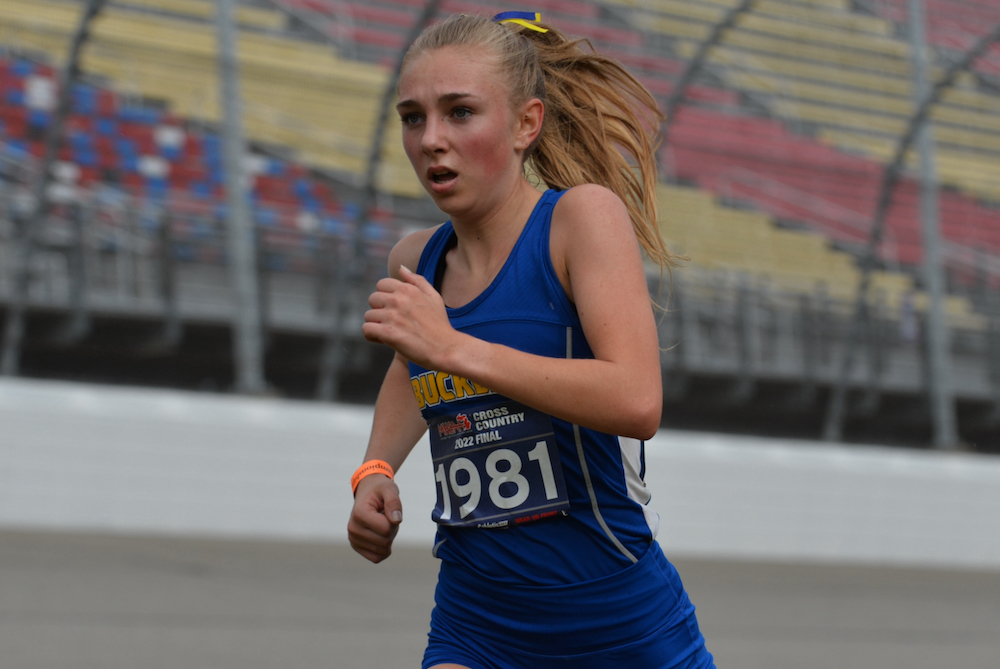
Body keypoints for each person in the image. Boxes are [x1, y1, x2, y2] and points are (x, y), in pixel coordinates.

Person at [348, 12, 714, 669]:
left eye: (460, 112)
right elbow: (413, 365)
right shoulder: (416, 259)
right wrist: (375, 470)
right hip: (477, 622)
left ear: (526, 124)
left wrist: (456, 347)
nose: (432, 139)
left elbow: (636, 399)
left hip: (617, 623)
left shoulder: (579, 220)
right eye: (413, 117)